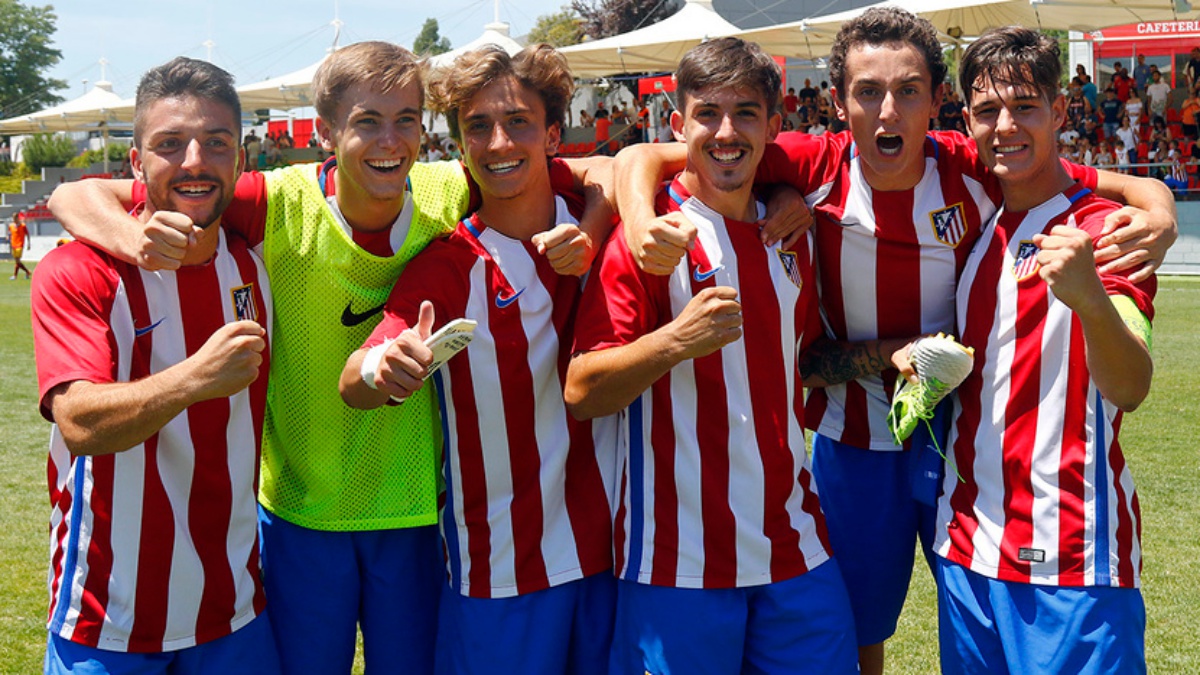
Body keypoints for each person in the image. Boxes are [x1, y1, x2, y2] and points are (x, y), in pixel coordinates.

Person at [610, 9, 1177, 674]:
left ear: (938, 103)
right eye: (867, 92)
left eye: (908, 90)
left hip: (960, 444)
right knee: (854, 630)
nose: (887, 112)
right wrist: (641, 215)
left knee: (982, 596)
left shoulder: (970, 161)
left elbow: (1082, 177)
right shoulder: (813, 165)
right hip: (855, 447)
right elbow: (642, 154)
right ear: (838, 102)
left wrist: (1158, 201)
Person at [47, 40, 613, 675]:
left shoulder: (450, 188)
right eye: (367, 122)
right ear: (325, 133)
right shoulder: (274, 203)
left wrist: (592, 224)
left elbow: (597, 172)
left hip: (415, 512)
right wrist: (133, 240)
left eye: (405, 121)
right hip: (299, 513)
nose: (389, 142)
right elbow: (78, 193)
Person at [567, 36, 858, 674]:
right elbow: (583, 390)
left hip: (795, 549)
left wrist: (890, 355)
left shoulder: (789, 233)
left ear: (774, 128)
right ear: (678, 125)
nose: (726, 132)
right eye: (708, 114)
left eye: (746, 113)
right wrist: (674, 342)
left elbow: (799, 360)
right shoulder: (648, 240)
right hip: (678, 560)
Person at [339, 44, 616, 675]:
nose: (497, 143)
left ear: (553, 133)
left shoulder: (609, 223)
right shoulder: (449, 263)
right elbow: (356, 377)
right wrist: (383, 367)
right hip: (501, 568)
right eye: (477, 127)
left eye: (517, 121)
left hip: (615, 555)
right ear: (459, 144)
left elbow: (662, 162)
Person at [31, 57, 279, 675]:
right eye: (170, 144)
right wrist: (197, 377)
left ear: (241, 161)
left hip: (235, 611)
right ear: (136, 164)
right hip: (109, 618)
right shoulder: (79, 271)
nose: (195, 160)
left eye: (216, 143)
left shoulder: (253, 256)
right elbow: (80, 423)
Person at [939, 27, 1156, 673]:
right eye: (987, 111)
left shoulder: (1104, 228)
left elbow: (1130, 386)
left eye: (1025, 106)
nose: (1006, 126)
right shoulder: (976, 223)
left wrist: (1090, 299)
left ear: (1060, 111)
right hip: (968, 554)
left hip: (1071, 559)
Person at [9, 212, 30, 280]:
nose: (14, 220)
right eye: (13, 218)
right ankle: (27, 272)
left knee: (17, 261)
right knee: (17, 261)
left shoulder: (23, 226)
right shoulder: (11, 226)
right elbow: (10, 233)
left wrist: (28, 243)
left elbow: (27, 234)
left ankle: (16, 275)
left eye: (15, 218)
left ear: (18, 218)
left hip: (20, 245)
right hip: (13, 245)